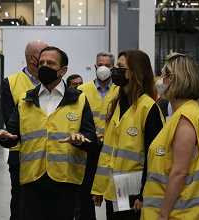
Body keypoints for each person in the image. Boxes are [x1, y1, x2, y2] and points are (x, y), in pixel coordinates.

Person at [0, 46, 97, 220]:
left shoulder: (79, 99)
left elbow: (90, 137)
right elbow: (12, 135)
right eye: (41, 63)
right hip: (31, 179)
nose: (44, 66)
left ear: (63, 70)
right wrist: (4, 138)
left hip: (65, 180)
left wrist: (81, 140)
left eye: (50, 63)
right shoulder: (26, 99)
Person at [91, 49, 164, 220]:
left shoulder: (149, 108)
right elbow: (108, 152)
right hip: (113, 190)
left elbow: (155, 158)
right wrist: (99, 188)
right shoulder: (116, 104)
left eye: (120, 66)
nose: (113, 71)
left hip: (135, 193)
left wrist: (143, 194)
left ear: (134, 73)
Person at [141, 53, 199, 219]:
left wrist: (163, 214)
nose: (159, 79)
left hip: (178, 214)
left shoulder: (185, 117)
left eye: (162, 74)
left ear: (171, 78)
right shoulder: (182, 114)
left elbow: (179, 173)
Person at [1, 40, 48, 220]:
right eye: (43, 57)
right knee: (22, 205)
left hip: (51, 156)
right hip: (21, 156)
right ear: (32, 58)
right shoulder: (10, 83)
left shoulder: (54, 82)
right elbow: (11, 122)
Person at [76, 51, 118, 220]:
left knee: (112, 194)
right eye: (100, 65)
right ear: (95, 66)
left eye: (107, 66)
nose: (103, 68)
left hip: (111, 151)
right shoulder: (82, 90)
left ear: (112, 68)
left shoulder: (120, 91)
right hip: (88, 150)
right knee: (84, 196)